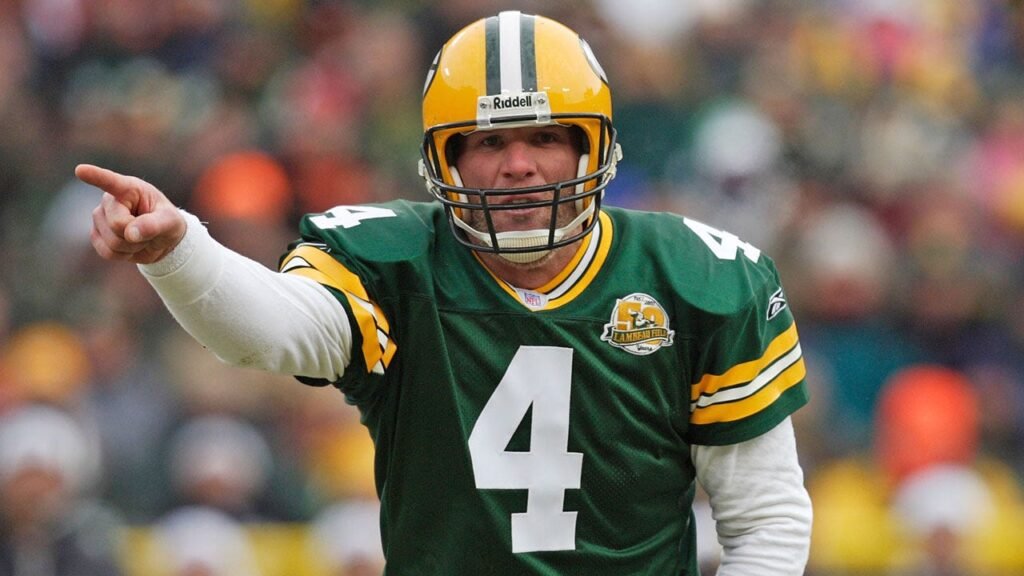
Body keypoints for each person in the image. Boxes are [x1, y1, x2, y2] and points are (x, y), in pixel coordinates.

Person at [78, 10, 812, 575]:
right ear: (444, 161)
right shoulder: (394, 262)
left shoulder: (697, 280)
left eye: (545, 137)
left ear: (593, 146)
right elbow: (272, 330)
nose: (518, 166)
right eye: (488, 142)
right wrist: (181, 252)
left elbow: (765, 520)